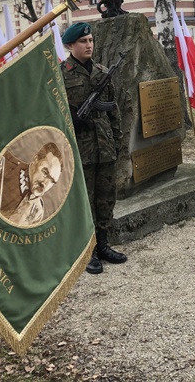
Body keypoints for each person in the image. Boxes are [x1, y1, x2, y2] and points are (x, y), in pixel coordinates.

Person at [61, 22, 126, 274]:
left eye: (90, 41)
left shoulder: (102, 72)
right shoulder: (60, 74)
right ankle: (87, 252)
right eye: (83, 42)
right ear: (70, 45)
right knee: (84, 202)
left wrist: (117, 142)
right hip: (80, 149)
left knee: (105, 200)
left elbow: (113, 111)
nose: (88, 45)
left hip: (105, 148)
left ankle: (104, 245)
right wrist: (71, 119)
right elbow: (52, 112)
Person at [0, 143, 63, 226]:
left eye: (52, 181)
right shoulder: (2, 164)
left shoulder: (37, 210)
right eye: (45, 172)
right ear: (35, 160)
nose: (45, 183)